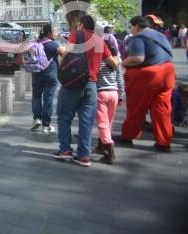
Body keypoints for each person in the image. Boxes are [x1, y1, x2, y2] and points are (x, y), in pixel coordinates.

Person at [52, 15, 118, 167]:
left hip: (73, 84)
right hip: (91, 85)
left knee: (64, 116)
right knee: (86, 121)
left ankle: (65, 150)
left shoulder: (77, 34)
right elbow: (113, 63)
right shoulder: (99, 40)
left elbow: (66, 55)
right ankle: (83, 156)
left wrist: (62, 69)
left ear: (81, 24)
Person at [115, 16, 175, 151]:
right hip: (167, 72)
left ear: (136, 26)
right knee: (162, 109)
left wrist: (121, 63)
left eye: (131, 26)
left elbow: (138, 58)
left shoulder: (137, 38)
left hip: (147, 75)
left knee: (136, 107)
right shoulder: (161, 36)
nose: (131, 30)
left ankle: (128, 135)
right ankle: (164, 142)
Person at [93, 32, 124, 164]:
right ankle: (101, 145)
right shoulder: (116, 62)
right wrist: (121, 95)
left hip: (101, 94)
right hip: (114, 94)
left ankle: (109, 149)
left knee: (102, 122)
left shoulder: (99, 62)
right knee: (108, 122)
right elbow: (120, 81)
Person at [30, 24, 60, 133]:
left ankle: (36, 119)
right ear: (49, 33)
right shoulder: (53, 44)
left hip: (37, 73)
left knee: (36, 96)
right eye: (55, 31)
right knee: (48, 99)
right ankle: (46, 125)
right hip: (50, 73)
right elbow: (65, 54)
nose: (57, 34)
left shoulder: (37, 43)